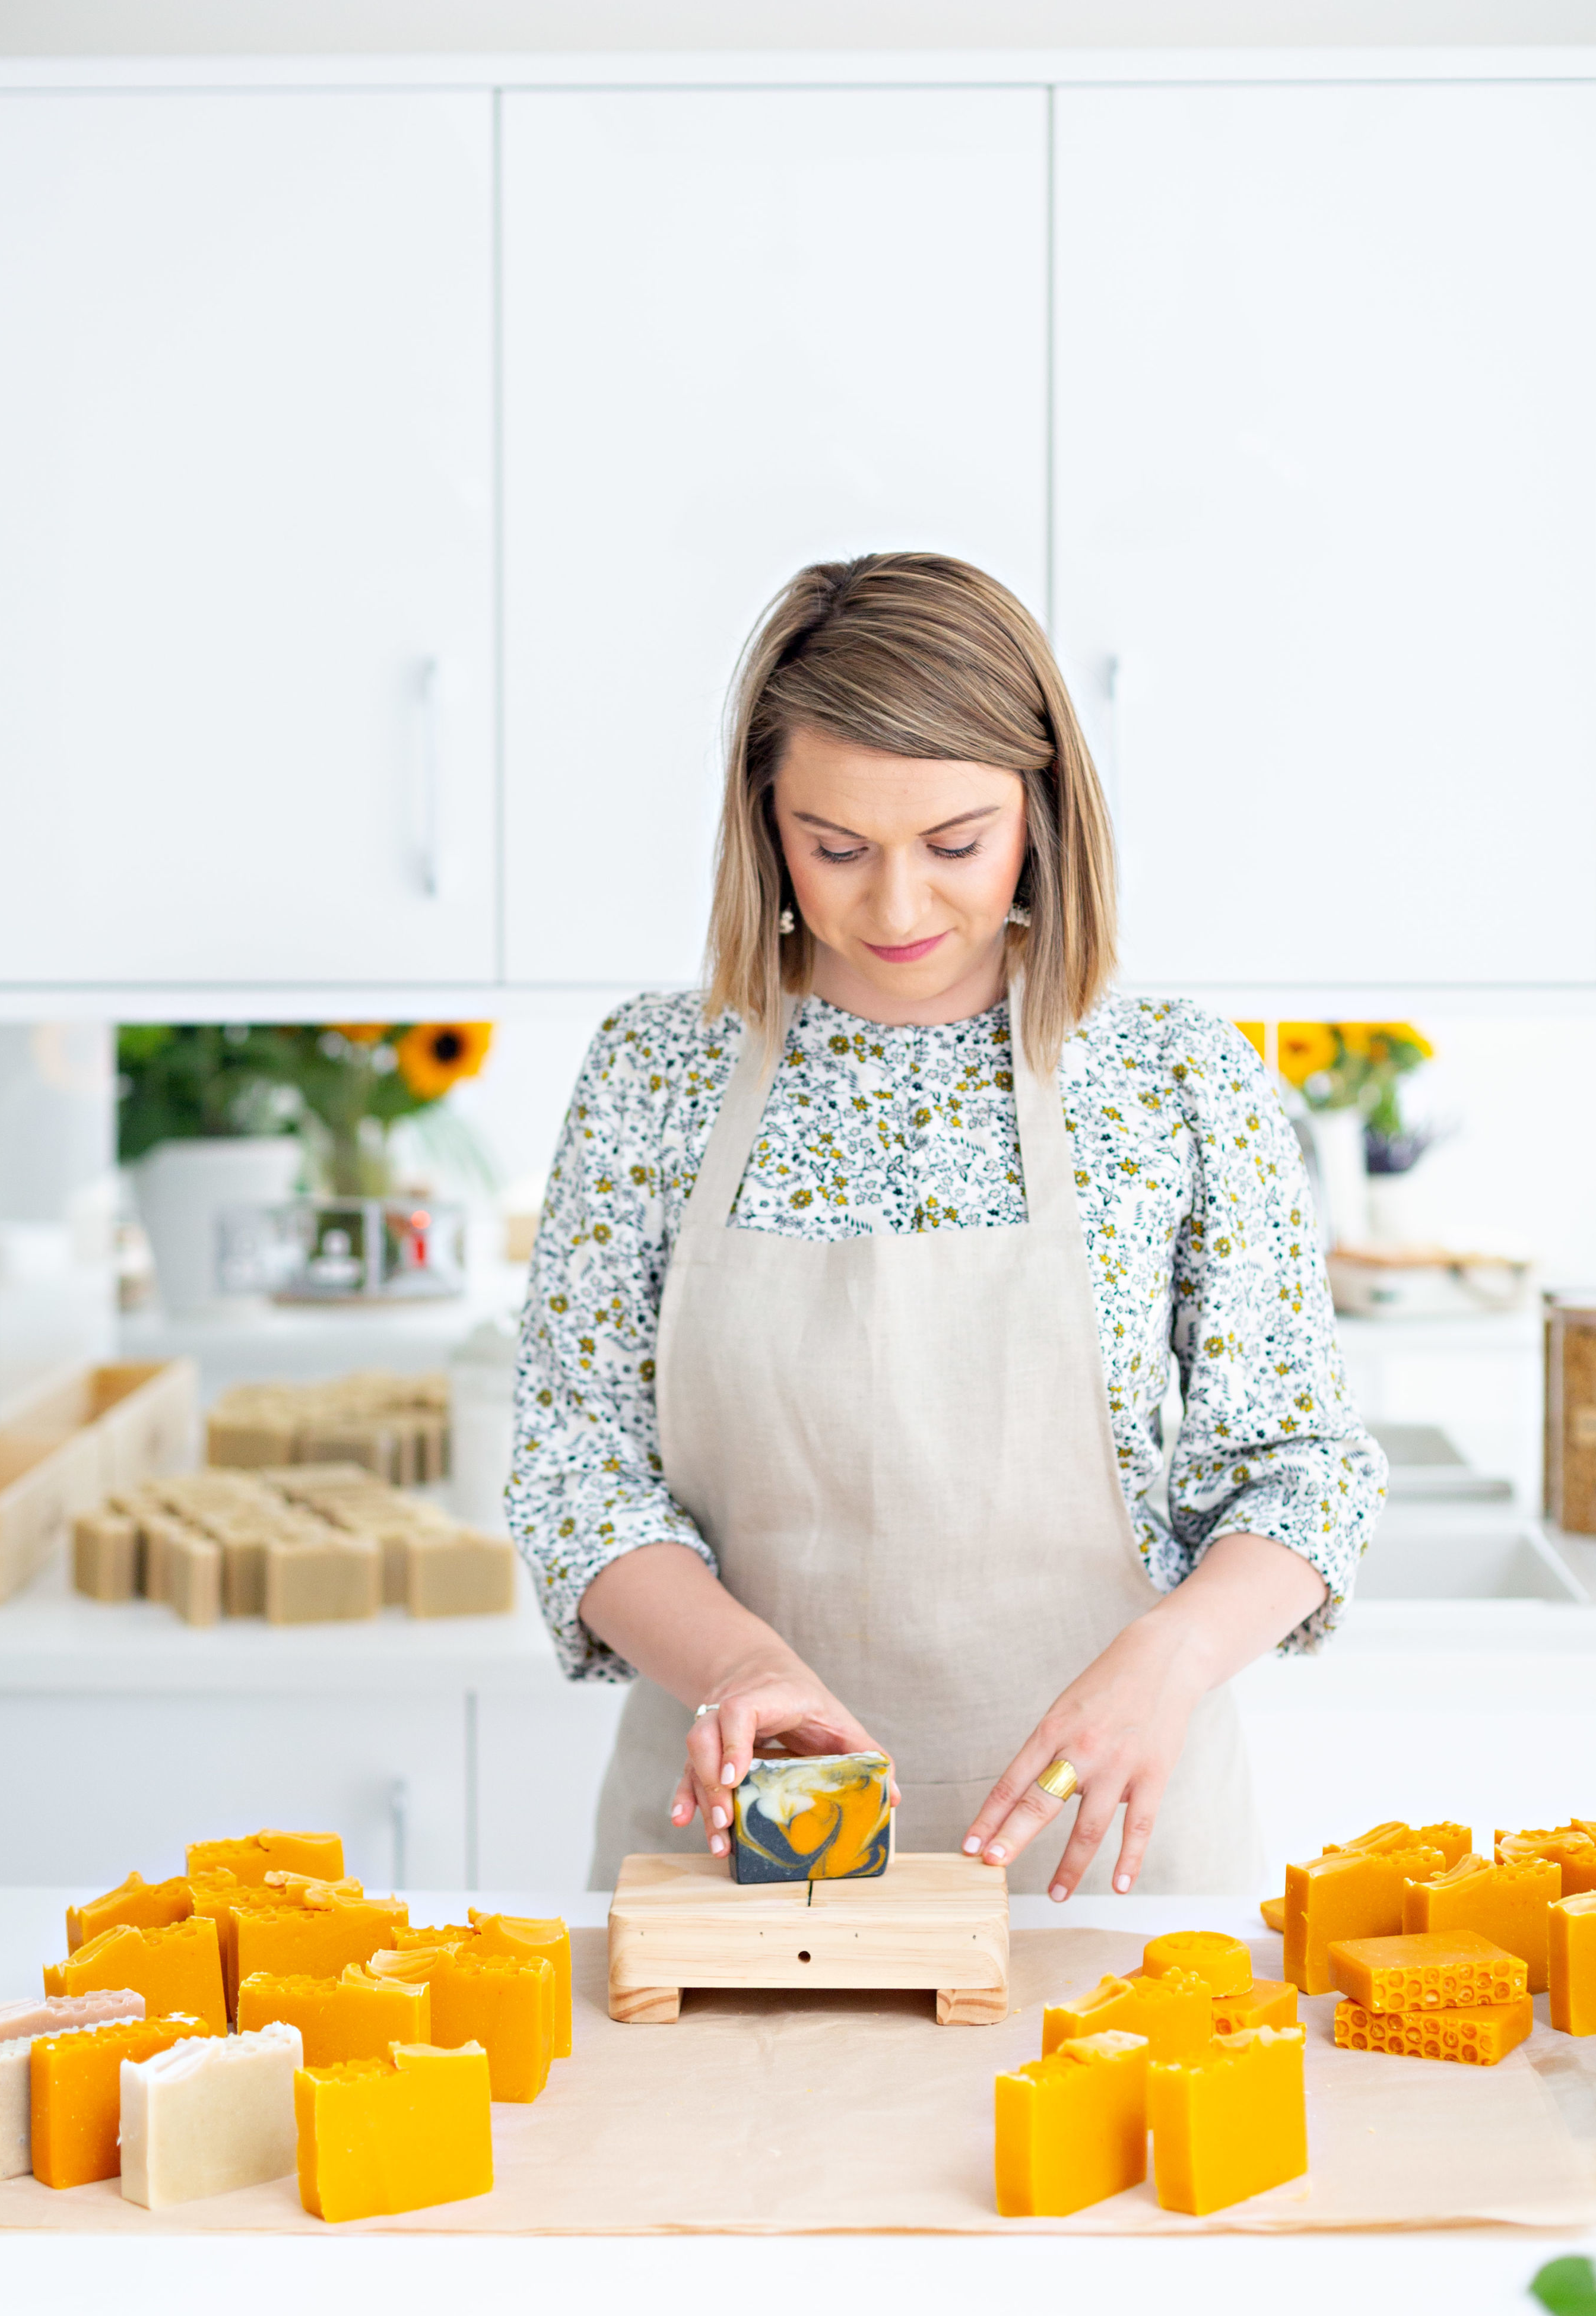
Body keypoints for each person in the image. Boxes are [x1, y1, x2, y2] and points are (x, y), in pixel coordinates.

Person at [506, 553, 1384, 1898]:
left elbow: (1305, 1470)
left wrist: (1171, 1659)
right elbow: (574, 1466)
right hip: (736, 1862)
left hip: (1099, 1863)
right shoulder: (657, 1071)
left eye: (955, 844)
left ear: (1041, 809)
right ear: (763, 823)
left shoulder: (1172, 1078)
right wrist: (741, 1668)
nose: (896, 908)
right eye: (836, 848)